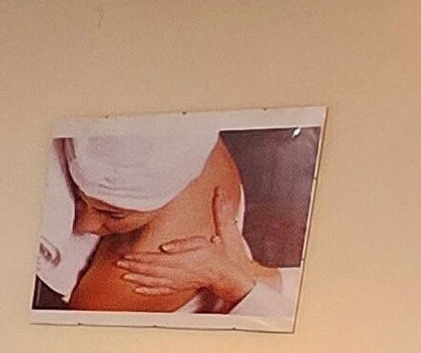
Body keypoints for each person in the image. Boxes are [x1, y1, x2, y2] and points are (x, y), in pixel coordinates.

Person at [36, 125, 293, 320]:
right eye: (79, 198)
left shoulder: (135, 279)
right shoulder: (185, 135)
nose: (82, 225)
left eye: (114, 214)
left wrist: (236, 283)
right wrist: (249, 275)